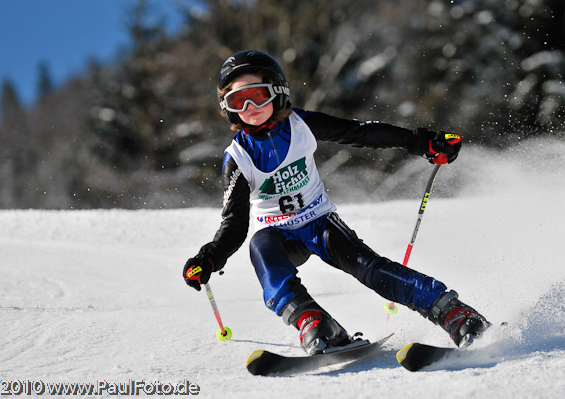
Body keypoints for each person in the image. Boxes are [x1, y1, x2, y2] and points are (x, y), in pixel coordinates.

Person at [183, 50, 490, 355]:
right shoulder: (237, 158)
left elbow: (360, 133)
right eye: (238, 101)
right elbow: (235, 223)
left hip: (320, 223)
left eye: (258, 96)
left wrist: (420, 141)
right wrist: (209, 258)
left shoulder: (300, 124)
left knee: (369, 269)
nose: (249, 107)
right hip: (280, 236)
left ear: (277, 92)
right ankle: (313, 322)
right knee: (260, 247)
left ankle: (453, 312)